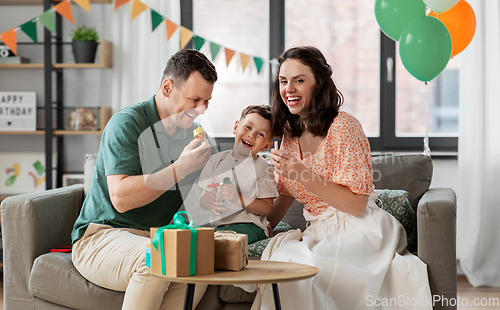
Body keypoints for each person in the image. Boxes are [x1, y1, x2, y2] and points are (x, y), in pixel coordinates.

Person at [251, 46, 432, 310]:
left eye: (299, 80)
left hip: (360, 230)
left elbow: (356, 205)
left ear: (319, 84)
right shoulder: (288, 137)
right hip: (319, 233)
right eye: (283, 81)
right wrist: (257, 227)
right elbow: (286, 195)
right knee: (285, 265)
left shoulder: (344, 126)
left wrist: (301, 173)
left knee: (311, 271)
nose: (288, 88)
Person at [71, 49, 218, 310]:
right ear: (167, 87)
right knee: (158, 256)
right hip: (103, 237)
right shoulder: (127, 123)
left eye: (206, 101)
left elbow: (199, 205)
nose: (202, 109)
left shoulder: (194, 137)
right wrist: (180, 169)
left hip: (158, 237)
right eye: (195, 99)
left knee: (199, 262)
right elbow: (121, 198)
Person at [195, 105, 278, 244]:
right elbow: (203, 199)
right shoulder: (215, 161)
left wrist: (238, 198)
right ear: (236, 127)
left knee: (218, 241)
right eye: (248, 127)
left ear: (265, 146)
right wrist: (208, 202)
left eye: (260, 134)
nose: (251, 135)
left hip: (250, 227)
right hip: (220, 227)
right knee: (192, 235)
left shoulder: (263, 168)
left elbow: (266, 208)